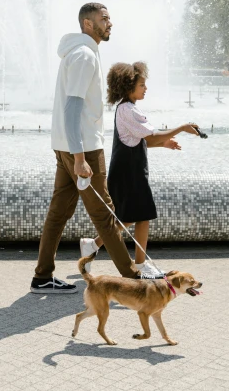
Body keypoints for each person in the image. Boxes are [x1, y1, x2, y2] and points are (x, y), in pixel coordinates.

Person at [31, 3, 151, 294]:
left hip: (66, 147)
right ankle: (133, 281)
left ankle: (42, 276)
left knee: (58, 213)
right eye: (104, 19)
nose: (110, 23)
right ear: (87, 23)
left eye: (110, 18)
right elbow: (73, 109)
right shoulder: (84, 55)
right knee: (105, 215)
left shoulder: (79, 52)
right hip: (82, 149)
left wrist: (72, 153)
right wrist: (81, 158)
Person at [80, 61, 203, 275]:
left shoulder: (128, 108)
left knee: (133, 216)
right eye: (142, 85)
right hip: (129, 173)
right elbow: (151, 135)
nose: (145, 89)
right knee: (142, 215)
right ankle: (139, 265)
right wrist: (182, 128)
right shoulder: (128, 110)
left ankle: (94, 245)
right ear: (129, 87)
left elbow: (143, 139)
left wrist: (164, 143)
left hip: (129, 170)